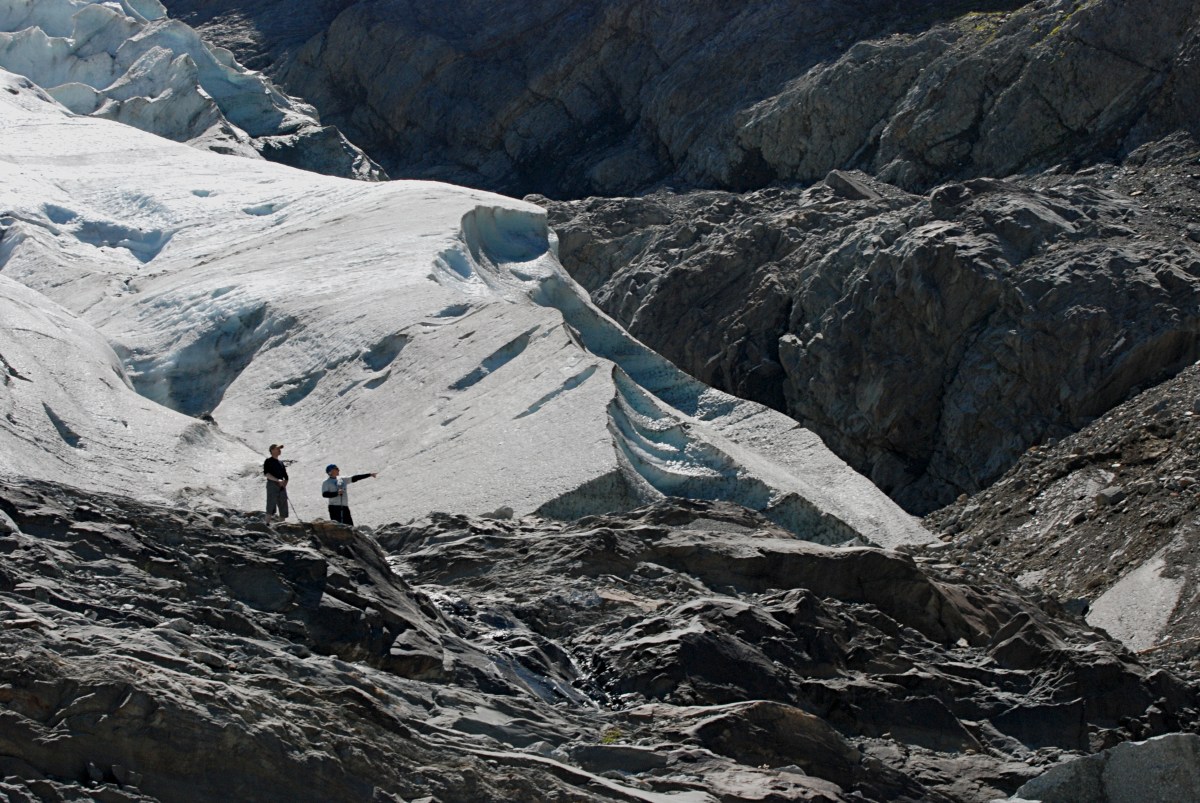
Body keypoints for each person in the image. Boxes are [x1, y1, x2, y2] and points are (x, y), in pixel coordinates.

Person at [263, 443, 289, 522]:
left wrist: (284, 483)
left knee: (283, 506)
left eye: (279, 449)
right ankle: (267, 524)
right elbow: (266, 474)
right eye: (277, 449)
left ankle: (282, 526)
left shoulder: (281, 463)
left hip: (281, 486)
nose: (279, 450)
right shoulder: (268, 461)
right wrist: (278, 480)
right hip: (272, 485)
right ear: (272, 450)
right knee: (270, 505)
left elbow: (286, 476)